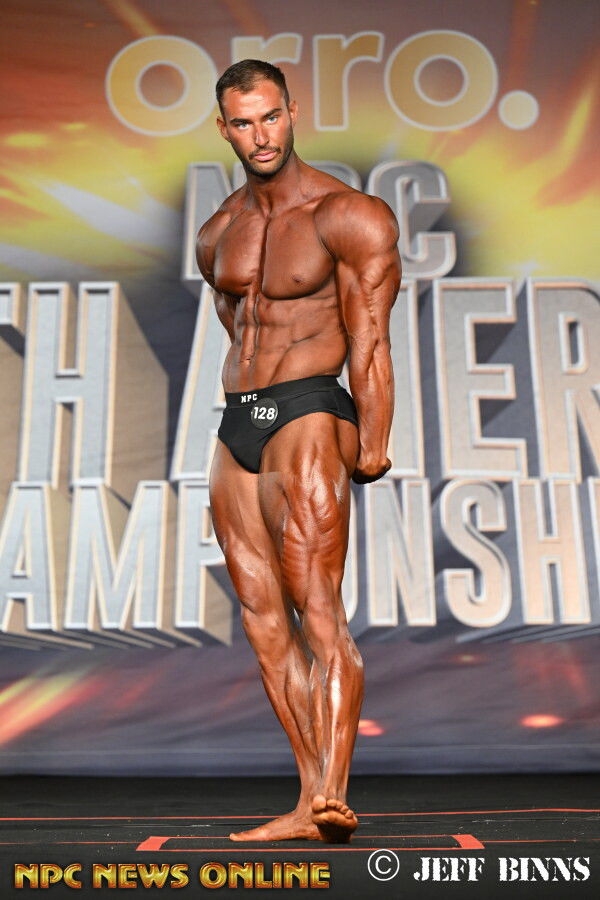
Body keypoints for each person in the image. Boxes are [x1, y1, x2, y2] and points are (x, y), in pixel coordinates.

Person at [196, 60, 401, 843]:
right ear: (224, 128)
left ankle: (336, 793)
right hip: (239, 420)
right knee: (263, 623)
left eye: (271, 116)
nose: (261, 135)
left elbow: (370, 337)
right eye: (244, 122)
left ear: (291, 112)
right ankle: (309, 800)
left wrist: (373, 441)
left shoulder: (348, 215)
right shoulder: (218, 232)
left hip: (311, 407)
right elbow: (237, 327)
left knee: (317, 608)